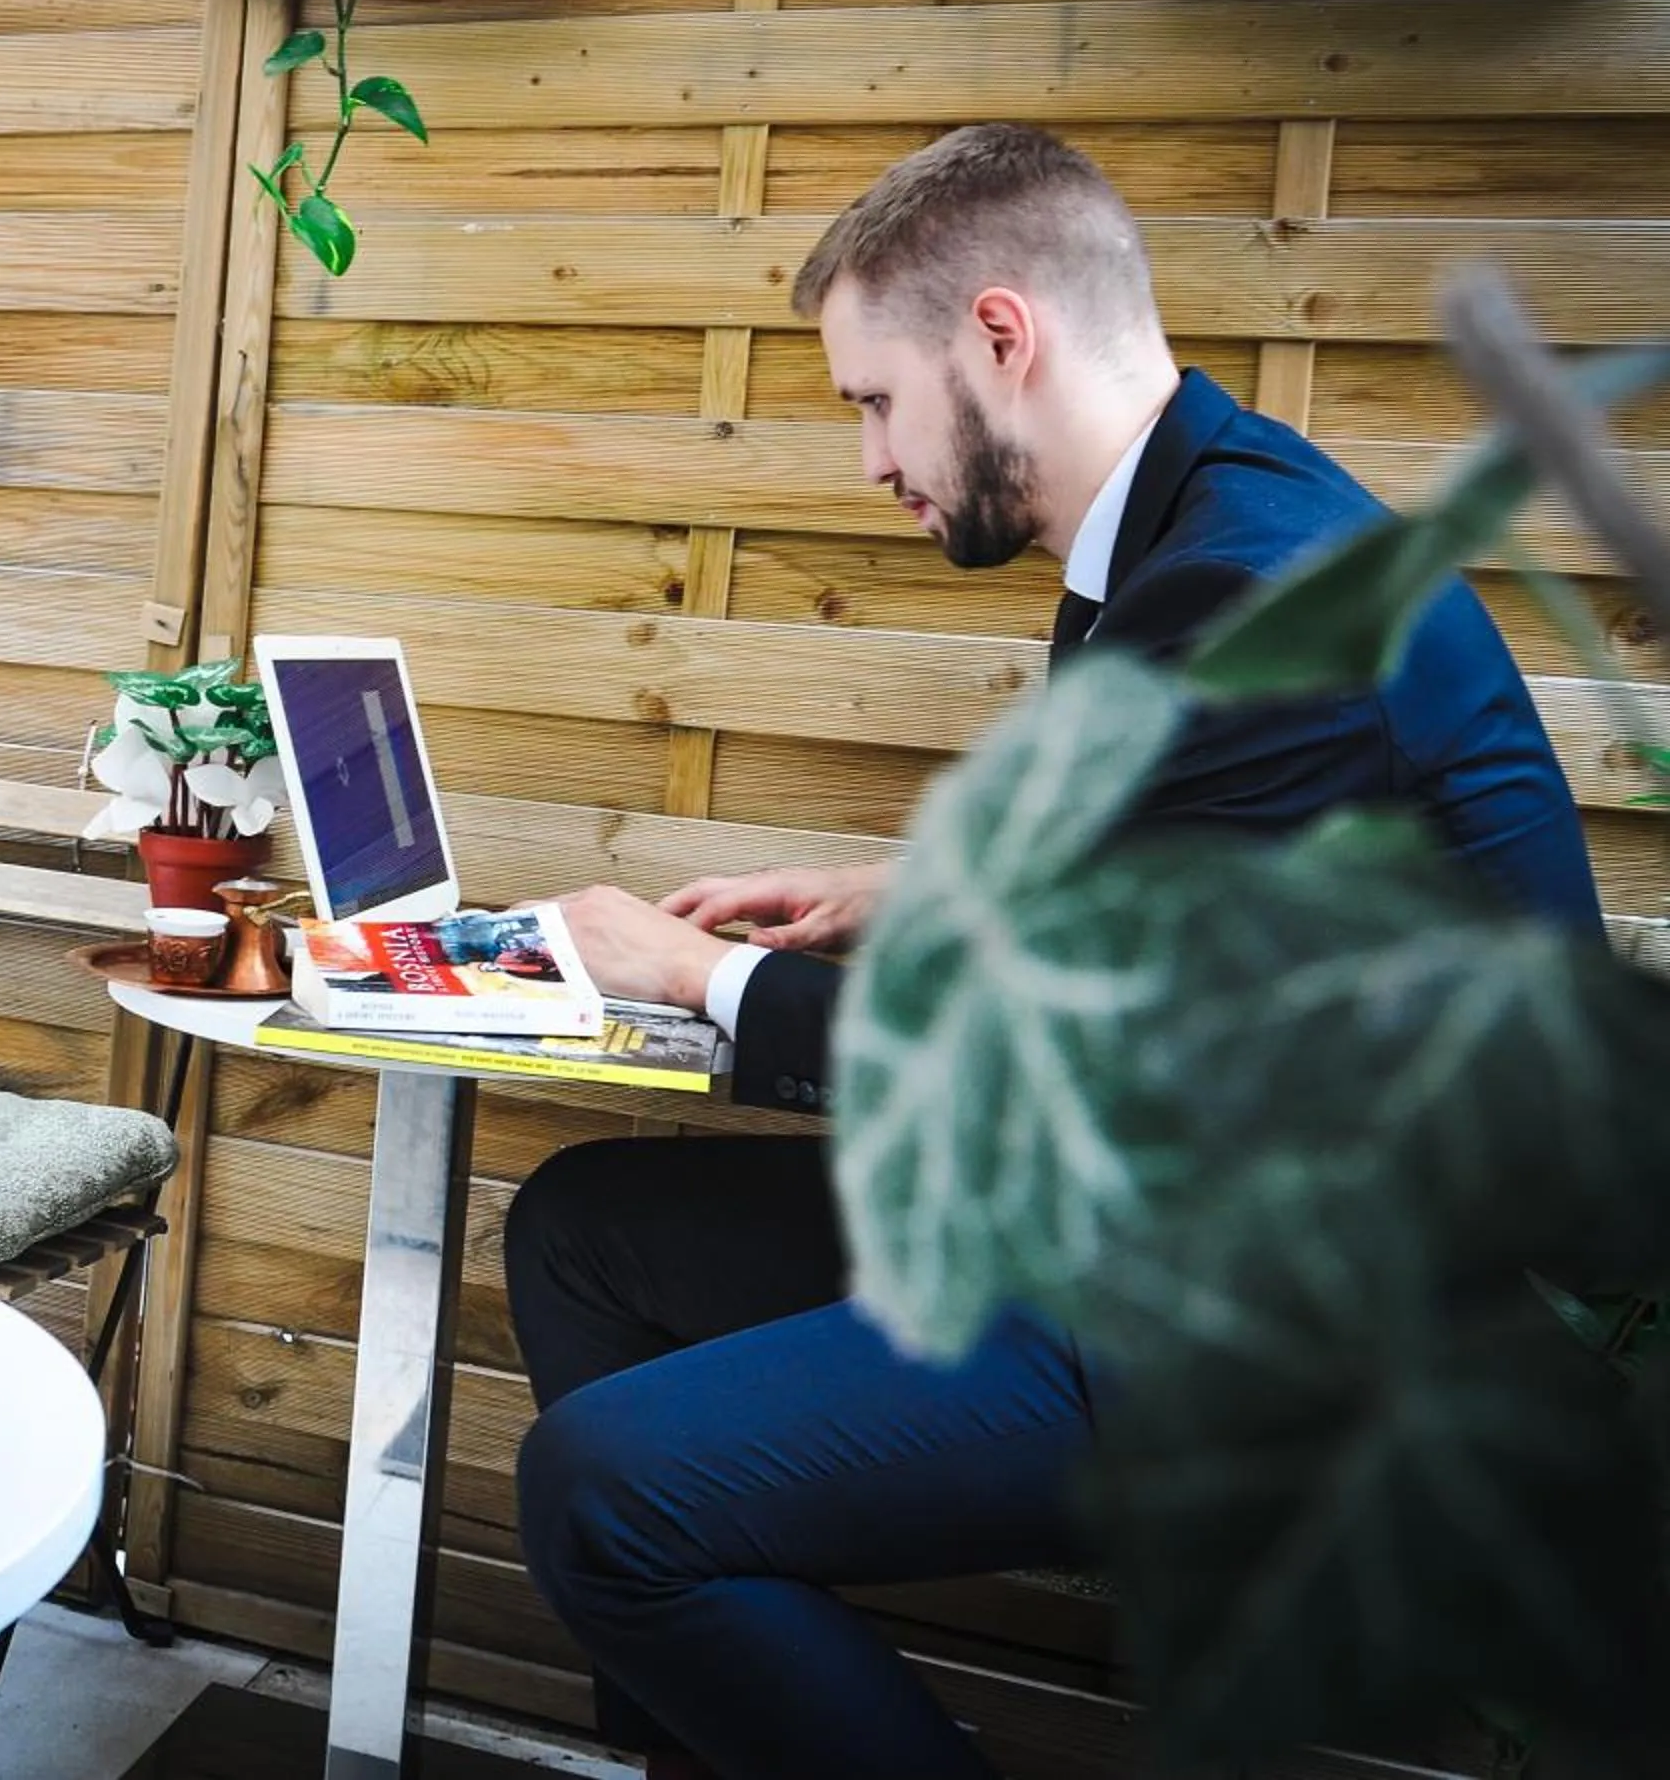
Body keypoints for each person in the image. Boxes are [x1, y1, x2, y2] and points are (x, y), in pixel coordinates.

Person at [506, 123, 1601, 1780]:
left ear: (1000, 339)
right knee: (589, 1229)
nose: (870, 461)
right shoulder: (1187, 528)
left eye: (875, 399)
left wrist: (694, 978)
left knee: (601, 1496)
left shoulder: (1243, 593)